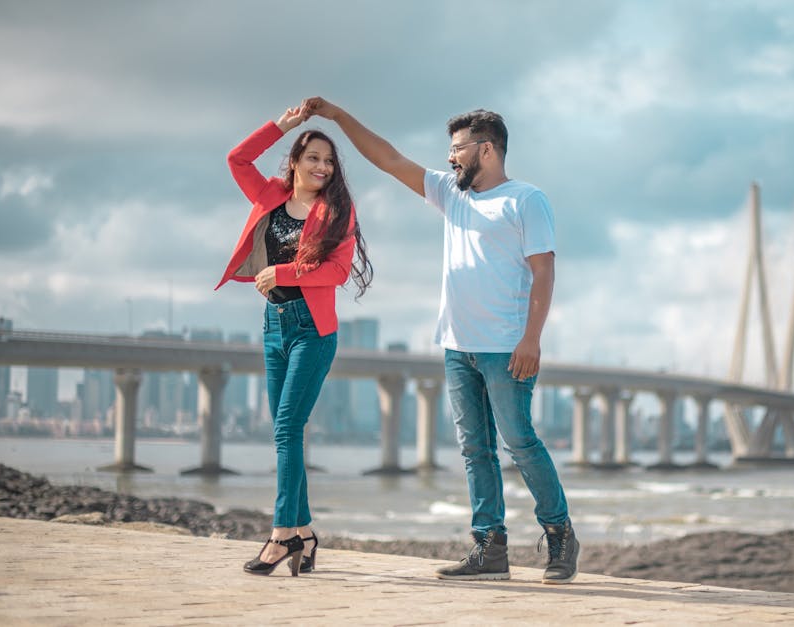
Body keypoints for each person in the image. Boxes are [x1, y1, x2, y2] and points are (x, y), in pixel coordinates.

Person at [301, 97, 579, 584]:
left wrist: (532, 340)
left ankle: (559, 535)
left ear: (487, 149)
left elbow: (544, 272)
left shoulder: (526, 200)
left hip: (506, 347)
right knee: (475, 449)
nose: (450, 157)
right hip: (457, 346)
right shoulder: (451, 193)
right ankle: (490, 549)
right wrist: (339, 116)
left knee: (519, 442)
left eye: (458, 148)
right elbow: (389, 159)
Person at [216, 106, 373, 576]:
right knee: (286, 433)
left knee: (286, 430)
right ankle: (304, 532)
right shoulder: (269, 195)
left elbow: (338, 272)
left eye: (329, 161)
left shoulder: (337, 211)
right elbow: (236, 159)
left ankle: (281, 535)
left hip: (313, 330)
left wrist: (280, 271)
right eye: (313, 158)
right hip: (273, 326)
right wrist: (281, 126)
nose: (322, 168)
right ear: (295, 161)